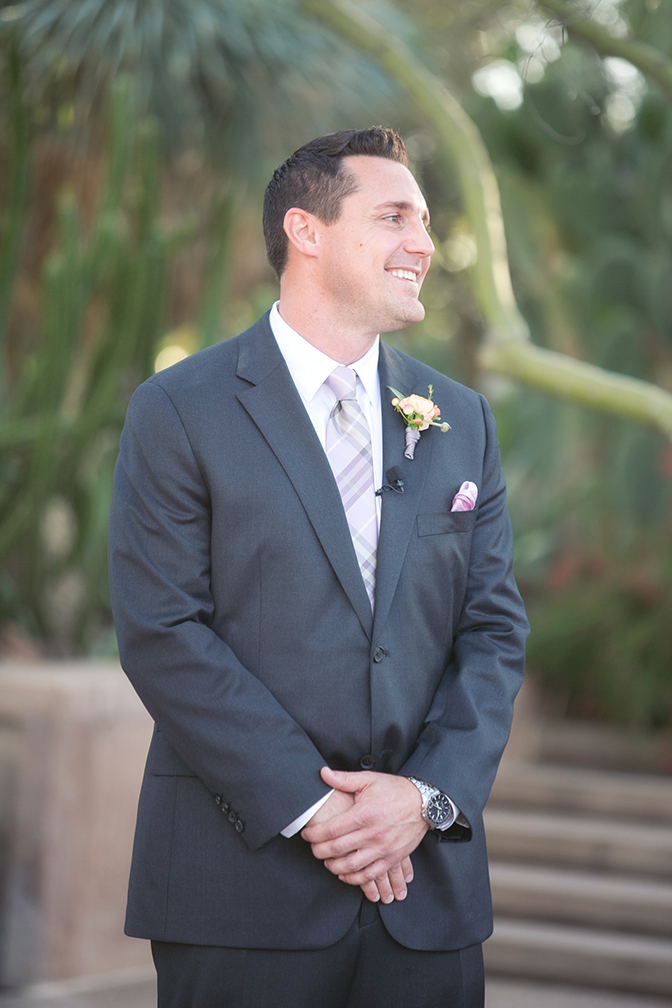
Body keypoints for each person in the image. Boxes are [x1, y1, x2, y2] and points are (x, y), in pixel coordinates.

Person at [108, 126, 528, 1008]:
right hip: (239, 889)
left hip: (426, 897)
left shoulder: (461, 418)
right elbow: (163, 632)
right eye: (394, 217)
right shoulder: (178, 409)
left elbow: (493, 632)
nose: (423, 244)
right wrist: (323, 810)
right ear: (306, 230)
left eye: (425, 221)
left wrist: (424, 797)